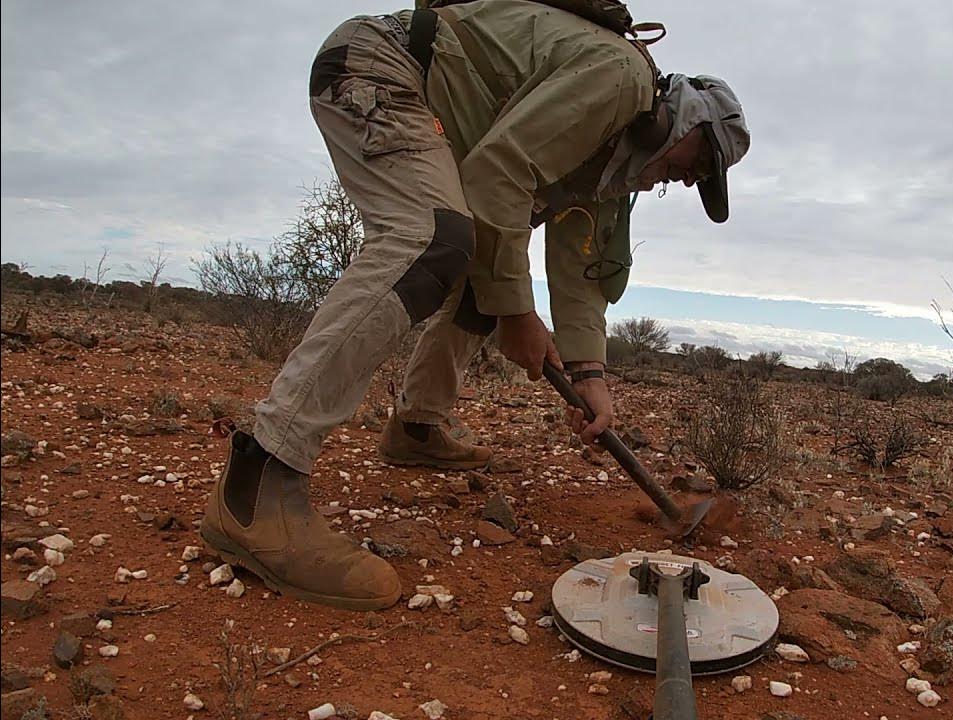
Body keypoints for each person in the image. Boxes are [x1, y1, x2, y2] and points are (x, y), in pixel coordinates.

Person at [200, 0, 749, 611]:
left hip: (422, 103)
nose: (680, 178)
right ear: (684, 121)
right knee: (434, 237)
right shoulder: (619, 79)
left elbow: (582, 274)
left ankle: (417, 427)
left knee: (483, 263)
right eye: (698, 160)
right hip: (381, 67)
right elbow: (496, 175)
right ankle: (261, 482)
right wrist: (517, 313)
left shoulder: (612, 167)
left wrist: (590, 376)